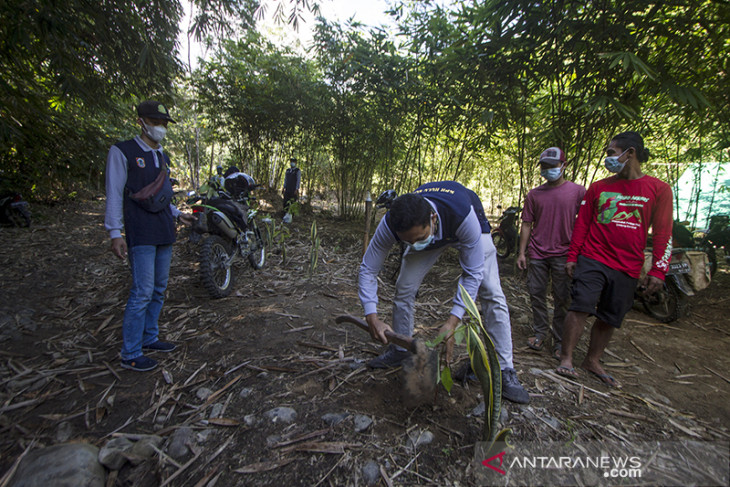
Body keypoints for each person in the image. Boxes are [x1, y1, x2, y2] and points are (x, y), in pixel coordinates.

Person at [359, 181, 530, 404]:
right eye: (407, 241)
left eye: (418, 239)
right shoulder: (392, 222)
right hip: (432, 228)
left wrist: (452, 322)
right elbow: (368, 268)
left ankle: (505, 369)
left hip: (467, 225)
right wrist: (371, 317)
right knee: (404, 287)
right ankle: (401, 349)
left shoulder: (462, 215)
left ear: (432, 218)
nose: (413, 244)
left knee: (491, 291)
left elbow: (473, 272)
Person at [556, 131, 673, 387]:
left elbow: (664, 232)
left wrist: (658, 271)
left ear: (629, 153)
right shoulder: (599, 187)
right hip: (593, 257)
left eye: (611, 152)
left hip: (628, 265)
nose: (608, 158)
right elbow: (582, 225)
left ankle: (592, 360)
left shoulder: (660, 189)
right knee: (580, 305)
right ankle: (566, 358)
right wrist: (573, 256)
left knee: (610, 316)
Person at [104, 100, 195, 372]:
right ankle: (130, 352)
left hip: (164, 228)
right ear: (142, 122)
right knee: (142, 291)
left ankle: (149, 338)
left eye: (164, 123)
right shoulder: (123, 151)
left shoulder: (162, 155)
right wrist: (114, 232)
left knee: (158, 289)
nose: (160, 128)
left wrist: (179, 214)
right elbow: (114, 193)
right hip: (140, 230)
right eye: (155, 122)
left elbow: (161, 195)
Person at [517, 147, 586, 360]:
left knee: (562, 298)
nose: (548, 170)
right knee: (536, 292)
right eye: (544, 166)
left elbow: (584, 223)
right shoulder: (534, 194)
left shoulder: (578, 191)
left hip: (564, 253)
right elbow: (527, 224)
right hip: (537, 252)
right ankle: (539, 332)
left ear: (563, 166)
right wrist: (522, 252)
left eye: (552, 166)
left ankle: (559, 340)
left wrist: (577, 255)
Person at [282, 158, 301, 223]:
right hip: (287, 188)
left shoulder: (297, 171)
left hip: (293, 189)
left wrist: (297, 189)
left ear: (296, 163)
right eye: (291, 162)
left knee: (292, 202)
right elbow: (285, 179)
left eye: (293, 162)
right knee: (285, 202)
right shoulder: (288, 170)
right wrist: (283, 187)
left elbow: (298, 180)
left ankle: (291, 216)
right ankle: (285, 214)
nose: (292, 163)